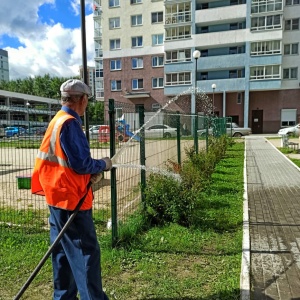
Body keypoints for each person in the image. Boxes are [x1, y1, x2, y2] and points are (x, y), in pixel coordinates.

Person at [31, 79, 111, 300]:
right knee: (86, 254)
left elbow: (69, 163)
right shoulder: (70, 123)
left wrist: (87, 173)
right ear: (82, 99)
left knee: (63, 253)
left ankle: (64, 297)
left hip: (57, 197)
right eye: (87, 101)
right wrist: (103, 164)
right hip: (71, 200)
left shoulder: (57, 120)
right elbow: (81, 163)